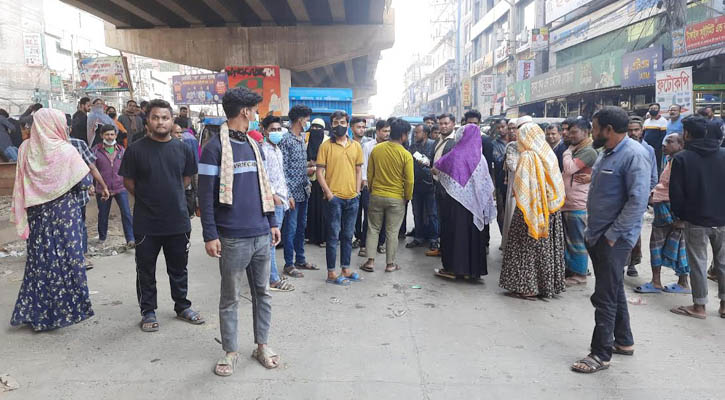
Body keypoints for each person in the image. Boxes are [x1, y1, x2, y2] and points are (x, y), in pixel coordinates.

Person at [198, 88, 282, 376]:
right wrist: (210, 234)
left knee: (263, 293)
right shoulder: (214, 148)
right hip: (232, 237)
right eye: (255, 110)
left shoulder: (254, 144)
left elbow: (264, 186)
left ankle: (262, 345)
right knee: (230, 297)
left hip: (261, 233)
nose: (256, 115)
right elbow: (205, 194)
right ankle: (230, 351)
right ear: (245, 111)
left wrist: (271, 221)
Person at [571, 106, 650, 374]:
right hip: (598, 234)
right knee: (613, 288)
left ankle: (600, 353)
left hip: (614, 239)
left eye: (594, 127)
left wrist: (613, 236)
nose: (591, 132)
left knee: (604, 295)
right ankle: (624, 341)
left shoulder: (634, 155)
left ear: (608, 129)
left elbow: (638, 201)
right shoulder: (607, 153)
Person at [119, 99, 203, 332]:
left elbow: (186, 178)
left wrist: (171, 195)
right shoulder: (135, 150)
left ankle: (182, 306)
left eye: (165, 117)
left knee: (179, 268)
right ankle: (148, 311)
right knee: (145, 269)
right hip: (147, 222)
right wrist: (149, 198)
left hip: (177, 219)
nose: (160, 122)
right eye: (155, 117)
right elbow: (128, 181)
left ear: (172, 120)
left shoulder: (183, 148)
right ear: (148, 120)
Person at [10, 108, 95, 331]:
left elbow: (21, 180)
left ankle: (37, 314)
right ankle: (69, 311)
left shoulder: (24, 149)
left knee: (40, 263)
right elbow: (84, 183)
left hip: (37, 214)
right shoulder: (66, 151)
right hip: (65, 214)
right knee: (69, 261)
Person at [499, 120, 566, 298]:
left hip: (532, 209)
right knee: (546, 248)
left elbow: (524, 186)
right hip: (551, 209)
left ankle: (528, 287)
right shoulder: (547, 152)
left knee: (526, 248)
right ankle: (546, 285)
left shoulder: (528, 156)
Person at [669, 116, 725, 320]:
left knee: (698, 263)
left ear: (687, 134)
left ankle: (699, 306)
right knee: (723, 262)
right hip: (723, 219)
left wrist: (681, 215)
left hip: (696, 219)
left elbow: (676, 193)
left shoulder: (683, 158)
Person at [432, 123, 496, 280]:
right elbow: (487, 184)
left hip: (455, 205)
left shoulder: (455, 154)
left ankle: (454, 269)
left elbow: (437, 168)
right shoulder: (481, 159)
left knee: (455, 235)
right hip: (476, 206)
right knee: (473, 237)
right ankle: (474, 271)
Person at [632, 133, 689, 294]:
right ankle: (673, 281)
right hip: (664, 205)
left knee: (664, 244)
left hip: (670, 207)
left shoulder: (681, 162)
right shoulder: (671, 160)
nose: (664, 145)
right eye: (665, 141)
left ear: (681, 145)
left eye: (670, 142)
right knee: (674, 244)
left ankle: (664, 282)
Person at [359, 118, 414, 273]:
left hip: (376, 195)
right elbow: (409, 180)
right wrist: (407, 197)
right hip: (397, 198)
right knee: (392, 232)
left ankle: (370, 262)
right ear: (403, 135)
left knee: (373, 228)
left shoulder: (377, 149)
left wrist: (372, 190)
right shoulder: (406, 154)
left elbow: (370, 173)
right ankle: (390, 264)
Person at [315, 112, 364, 286]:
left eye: (342, 122)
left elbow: (358, 170)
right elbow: (319, 172)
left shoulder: (355, 146)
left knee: (347, 235)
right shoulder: (326, 146)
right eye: (335, 123)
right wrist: (329, 194)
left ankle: (345, 269)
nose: (339, 125)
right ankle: (331, 273)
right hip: (333, 199)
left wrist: (357, 191)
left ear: (348, 124)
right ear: (331, 125)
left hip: (352, 198)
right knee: (333, 236)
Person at [278, 104, 317, 278]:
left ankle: (300, 259)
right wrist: (288, 195)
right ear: (300, 120)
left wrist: (308, 169)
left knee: (302, 227)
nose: (307, 123)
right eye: (307, 120)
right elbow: (283, 169)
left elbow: (298, 165)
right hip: (292, 193)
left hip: (304, 190)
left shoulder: (301, 138)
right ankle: (289, 263)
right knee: (291, 229)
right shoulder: (286, 140)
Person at [560, 119, 597, 285]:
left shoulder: (587, 151)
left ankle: (580, 274)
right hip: (569, 202)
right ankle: (572, 270)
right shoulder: (579, 149)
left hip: (578, 203)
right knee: (569, 241)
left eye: (574, 132)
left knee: (577, 241)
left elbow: (569, 168)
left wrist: (567, 151)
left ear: (585, 132)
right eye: (569, 131)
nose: (570, 135)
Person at [260, 115, 294, 292]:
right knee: (272, 240)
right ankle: (272, 279)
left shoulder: (277, 150)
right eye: (272, 129)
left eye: (278, 129)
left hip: (282, 198)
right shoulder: (263, 151)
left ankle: (271, 274)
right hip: (274, 201)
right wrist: (274, 196)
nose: (276, 132)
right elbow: (264, 177)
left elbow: (280, 176)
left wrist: (287, 196)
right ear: (264, 131)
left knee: (274, 239)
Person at [69, 133, 111, 270]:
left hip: (72, 196)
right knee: (79, 225)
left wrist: (102, 186)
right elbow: (91, 167)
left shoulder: (77, 143)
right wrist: (102, 186)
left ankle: (79, 256)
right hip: (71, 197)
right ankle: (81, 256)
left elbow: (91, 167)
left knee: (78, 225)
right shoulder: (75, 144)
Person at [624, 116, 659, 277]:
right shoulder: (621, 148)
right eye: (630, 130)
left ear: (641, 131)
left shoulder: (648, 150)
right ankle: (621, 263)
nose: (633, 133)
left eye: (636, 130)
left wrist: (649, 194)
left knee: (634, 233)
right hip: (622, 197)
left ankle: (633, 263)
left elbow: (653, 175)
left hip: (639, 197)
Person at [92, 124, 134, 248]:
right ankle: (102, 238)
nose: (109, 137)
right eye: (107, 134)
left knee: (126, 213)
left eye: (112, 134)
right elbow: (91, 169)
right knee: (103, 214)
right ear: (101, 136)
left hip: (120, 187)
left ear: (115, 135)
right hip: (102, 189)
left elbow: (128, 167)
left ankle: (130, 239)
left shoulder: (121, 150)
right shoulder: (95, 150)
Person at [358, 119, 390, 256]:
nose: (387, 134)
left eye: (389, 131)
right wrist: (364, 182)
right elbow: (363, 165)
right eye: (384, 131)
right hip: (369, 186)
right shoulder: (368, 146)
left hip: (385, 187)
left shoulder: (391, 146)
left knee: (384, 216)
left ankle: (380, 243)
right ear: (377, 131)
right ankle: (364, 244)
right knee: (369, 216)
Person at [426, 113, 456, 258]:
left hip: (449, 187)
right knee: (441, 218)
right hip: (437, 184)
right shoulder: (438, 140)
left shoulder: (456, 141)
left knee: (449, 220)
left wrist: (440, 170)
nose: (443, 126)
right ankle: (442, 247)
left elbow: (455, 165)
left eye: (446, 123)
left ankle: (448, 251)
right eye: (441, 124)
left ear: (453, 124)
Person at [406, 124, 438, 250]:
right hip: (416, 185)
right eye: (414, 133)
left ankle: (434, 239)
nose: (415, 135)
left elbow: (436, 164)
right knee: (417, 212)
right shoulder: (412, 147)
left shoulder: (434, 145)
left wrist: (428, 164)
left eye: (417, 132)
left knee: (432, 213)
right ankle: (418, 237)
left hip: (430, 185)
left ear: (425, 133)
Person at [305, 119, 328, 246]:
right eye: (313, 127)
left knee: (323, 210)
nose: (315, 130)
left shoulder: (327, 142)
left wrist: (317, 166)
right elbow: (305, 160)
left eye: (318, 127)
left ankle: (323, 237)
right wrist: (310, 165)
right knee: (312, 209)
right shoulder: (307, 142)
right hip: (310, 181)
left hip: (324, 181)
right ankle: (311, 236)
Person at [491, 118, 509, 234]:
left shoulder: (516, 141)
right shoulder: (494, 144)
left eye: (503, 127)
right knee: (501, 211)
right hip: (500, 181)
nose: (501, 130)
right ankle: (504, 238)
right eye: (498, 128)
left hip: (515, 182)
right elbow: (497, 160)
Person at [643, 103, 668, 174]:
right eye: (651, 108)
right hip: (646, 147)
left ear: (659, 110)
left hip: (657, 148)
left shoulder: (663, 120)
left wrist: (656, 147)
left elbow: (663, 136)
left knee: (656, 165)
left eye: (655, 108)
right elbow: (644, 134)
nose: (653, 110)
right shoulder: (646, 121)